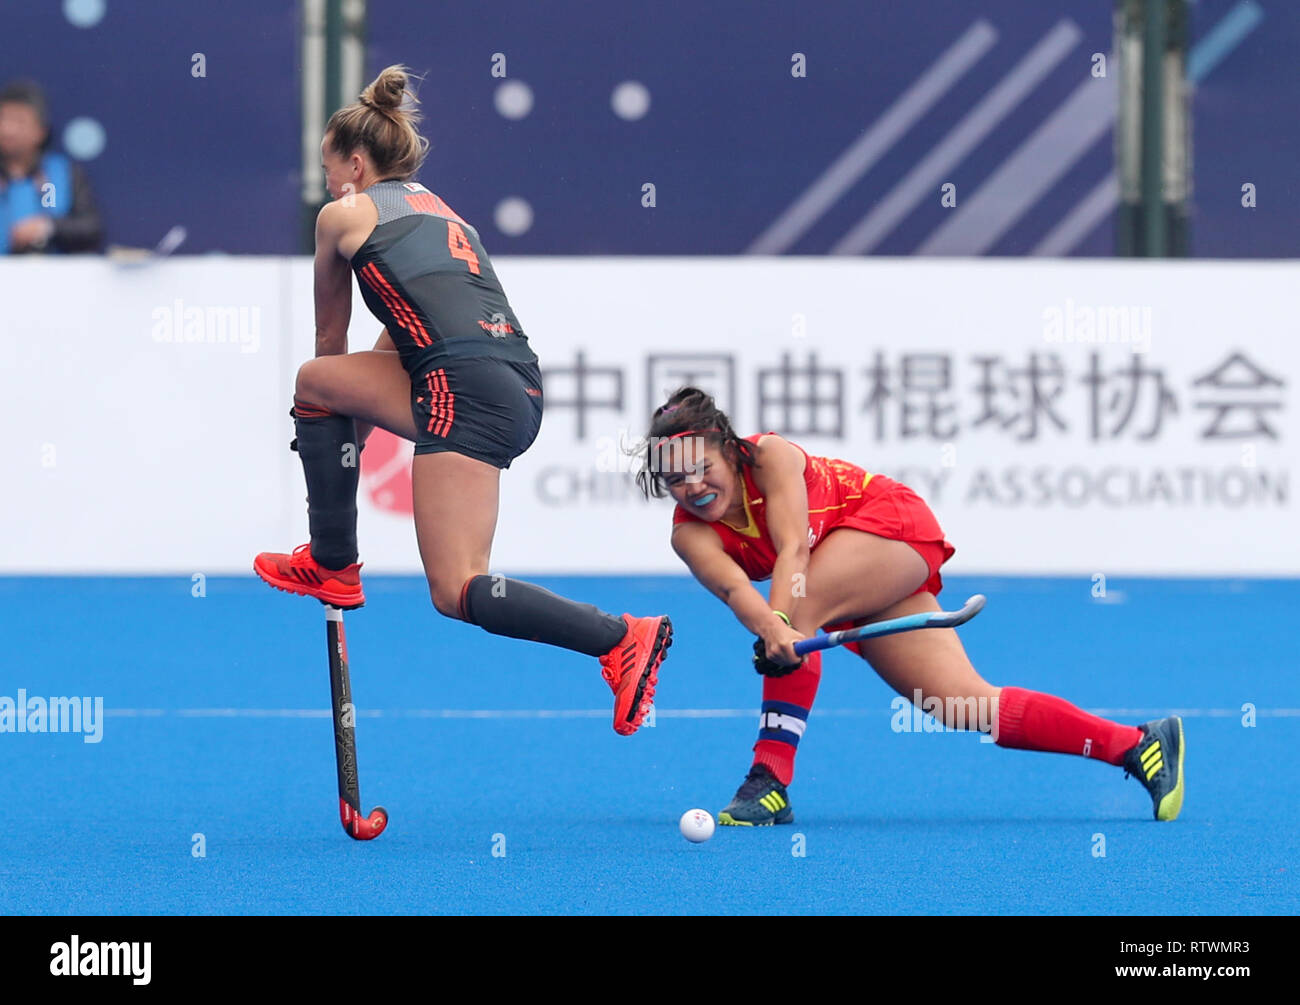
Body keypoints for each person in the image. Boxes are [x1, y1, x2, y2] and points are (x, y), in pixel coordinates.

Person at [254, 66, 671, 736]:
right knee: (320, 390)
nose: (328, 184)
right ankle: (334, 560)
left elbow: (330, 344)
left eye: (330, 169)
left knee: (456, 587)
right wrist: (337, 436)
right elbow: (405, 326)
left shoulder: (343, 214)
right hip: (515, 383)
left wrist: (327, 454)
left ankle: (620, 636)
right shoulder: (442, 212)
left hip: (462, 389)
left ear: (356, 164)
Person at [637, 386, 1185, 825]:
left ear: (729, 449)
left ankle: (769, 780)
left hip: (888, 530)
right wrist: (769, 626)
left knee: (798, 617)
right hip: (841, 582)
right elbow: (737, 592)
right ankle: (1137, 745)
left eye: (702, 466)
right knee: (961, 704)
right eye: (675, 478)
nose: (692, 486)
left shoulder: (770, 457)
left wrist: (780, 624)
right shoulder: (690, 537)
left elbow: (793, 550)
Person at [0, 79, 103, 254]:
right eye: (3, 119)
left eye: (19, 121)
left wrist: (47, 227)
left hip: (52, 276)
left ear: (41, 132)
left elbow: (91, 227)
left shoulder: (63, 172)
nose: (9, 130)